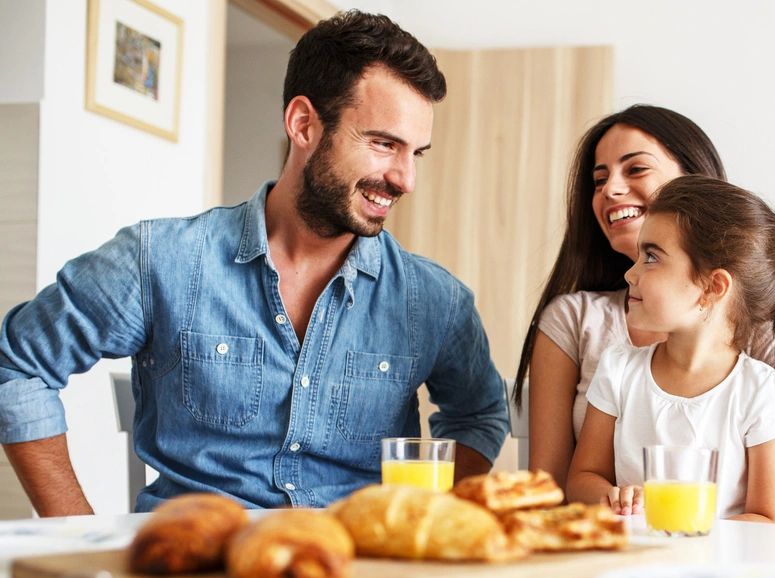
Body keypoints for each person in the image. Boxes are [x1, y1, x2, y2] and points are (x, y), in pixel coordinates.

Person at [0, 11, 508, 515]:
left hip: (355, 575)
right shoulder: (160, 261)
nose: (405, 179)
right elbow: (16, 365)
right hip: (195, 571)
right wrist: (76, 535)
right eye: (382, 144)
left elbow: (479, 412)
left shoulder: (435, 300)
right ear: (303, 123)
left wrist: (426, 524)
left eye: (417, 153)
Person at [512, 105, 775, 528]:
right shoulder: (595, 342)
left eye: (635, 169)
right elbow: (564, 485)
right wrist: (614, 502)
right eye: (598, 179)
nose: (610, 189)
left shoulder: (764, 369)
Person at [567, 175, 775, 523]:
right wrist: (612, 497)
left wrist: (684, 525)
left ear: (713, 287)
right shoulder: (618, 370)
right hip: (634, 569)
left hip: (721, 574)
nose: (630, 274)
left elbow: (769, 521)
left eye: (651, 257)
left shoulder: (764, 394)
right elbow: (581, 479)